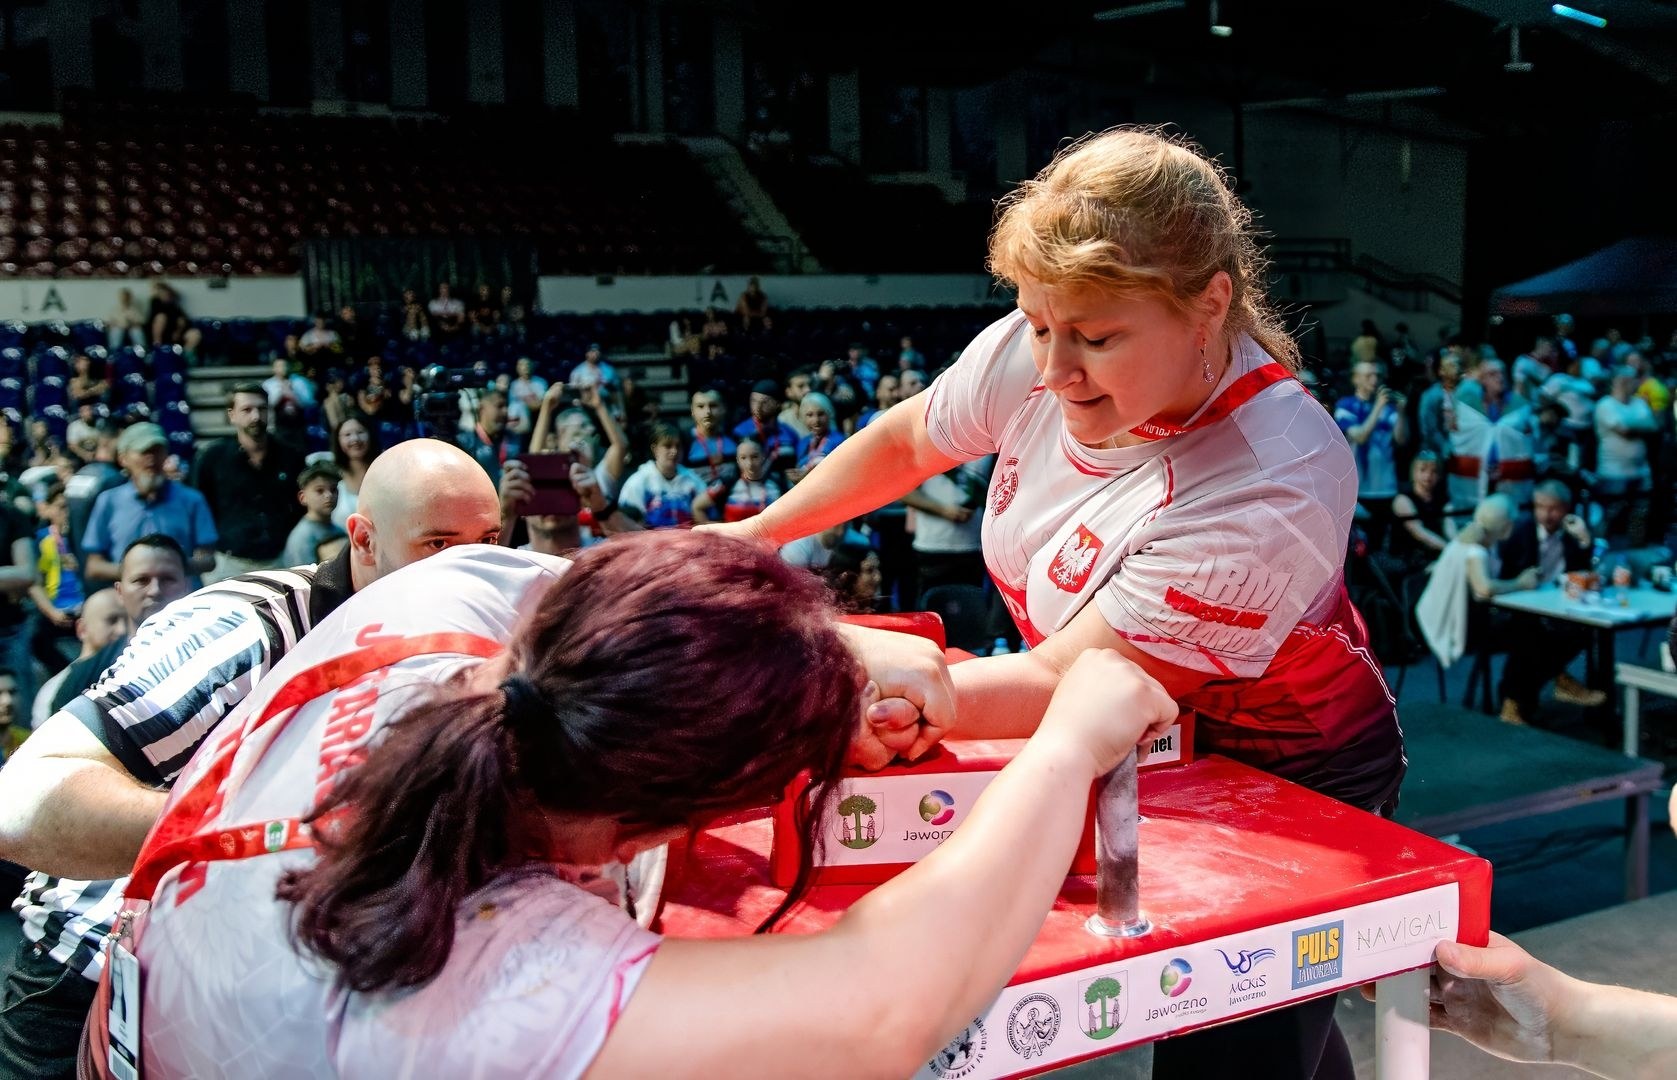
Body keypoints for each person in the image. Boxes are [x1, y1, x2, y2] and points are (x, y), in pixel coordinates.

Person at [701, 126, 1403, 1079]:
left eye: (1097, 338)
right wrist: (760, 536)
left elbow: (1066, 678)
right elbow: (911, 444)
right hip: (1126, 715)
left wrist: (864, 678)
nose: (1051, 369)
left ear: (1209, 305)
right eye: (1037, 324)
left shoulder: (1274, 476)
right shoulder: (1048, 340)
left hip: (1283, 764)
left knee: (1237, 1044)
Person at [90, 532, 1176, 1079]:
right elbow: (884, 1004)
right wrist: (1073, 743)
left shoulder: (444, 599)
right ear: (670, 820)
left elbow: (620, 592)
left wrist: (824, 660)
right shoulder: (482, 982)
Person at [0, 440, 505, 1079]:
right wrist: (272, 834)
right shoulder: (248, 629)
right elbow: (22, 800)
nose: (474, 569)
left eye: (490, 541)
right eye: (438, 546)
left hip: (257, 988)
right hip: (97, 980)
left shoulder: (469, 629)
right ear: (365, 541)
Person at [45, 534, 193, 714]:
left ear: (187, 587)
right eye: (141, 580)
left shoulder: (214, 655)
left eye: (168, 579)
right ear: (120, 592)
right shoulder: (84, 679)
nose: (155, 590)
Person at [194, 383, 309, 582]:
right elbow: (201, 508)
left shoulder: (292, 456)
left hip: (282, 561)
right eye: (247, 410)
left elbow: (303, 505)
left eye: (262, 409)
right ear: (232, 415)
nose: (256, 416)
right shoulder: (212, 458)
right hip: (228, 564)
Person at [81, 422, 217, 586]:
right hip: (129, 599)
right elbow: (94, 566)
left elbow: (208, 559)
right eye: (143, 452)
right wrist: (137, 572)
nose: (151, 458)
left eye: (157, 451)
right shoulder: (109, 501)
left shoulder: (191, 500)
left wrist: (170, 568)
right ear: (123, 458)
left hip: (181, 595)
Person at [30, 588, 126, 731]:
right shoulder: (55, 689)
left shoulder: (131, 673)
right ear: (82, 629)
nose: (122, 630)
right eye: (112, 621)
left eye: (128, 620)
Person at [617, 423, 706, 529]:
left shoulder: (693, 481)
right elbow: (626, 525)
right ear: (655, 449)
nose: (674, 451)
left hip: (688, 542)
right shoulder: (638, 482)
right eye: (668, 446)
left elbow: (709, 518)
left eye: (678, 446)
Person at [1387, 451, 1452, 576]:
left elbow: (1449, 528)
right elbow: (1419, 533)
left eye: (1434, 472)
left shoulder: (1443, 500)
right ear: (1414, 473)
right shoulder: (1402, 499)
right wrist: (1449, 549)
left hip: (1434, 553)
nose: (1428, 476)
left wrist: (1458, 546)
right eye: (1423, 470)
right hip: (1406, 558)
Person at [282, 461, 347, 567]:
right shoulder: (302, 538)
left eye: (333, 489)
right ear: (303, 497)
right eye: (320, 491)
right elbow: (303, 578)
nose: (328, 495)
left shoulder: (338, 529)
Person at [330, 412, 379, 529]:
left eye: (360, 432)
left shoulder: (383, 469)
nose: (355, 439)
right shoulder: (332, 475)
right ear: (338, 440)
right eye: (347, 435)